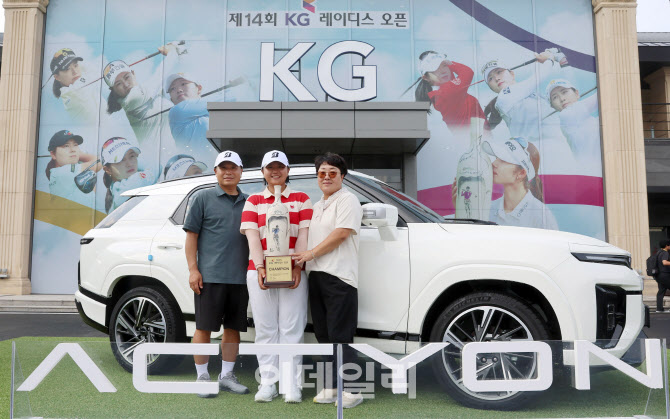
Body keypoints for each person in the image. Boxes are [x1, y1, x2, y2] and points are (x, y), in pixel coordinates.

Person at [292, 152, 364, 409]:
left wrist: (310, 254)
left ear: (342, 176)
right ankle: (333, 386)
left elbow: (342, 233)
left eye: (332, 173)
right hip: (316, 276)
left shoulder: (348, 199)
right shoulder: (317, 205)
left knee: (340, 334)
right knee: (323, 334)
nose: (326, 177)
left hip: (339, 277)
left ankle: (353, 389)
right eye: (322, 173)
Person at [240, 150, 312, 403]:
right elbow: (252, 238)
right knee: (266, 328)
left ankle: (292, 385)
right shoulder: (253, 201)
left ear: (288, 170)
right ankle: (268, 383)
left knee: (292, 328)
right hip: (259, 272)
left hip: (293, 272)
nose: (275, 171)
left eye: (280, 166)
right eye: (270, 167)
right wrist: (261, 267)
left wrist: (297, 267)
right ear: (263, 172)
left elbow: (303, 236)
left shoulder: (302, 199)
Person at [183, 150, 250, 397]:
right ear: (215, 171)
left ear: (241, 172)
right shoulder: (202, 198)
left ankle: (227, 376)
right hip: (209, 277)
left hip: (241, 278)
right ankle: (202, 377)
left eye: (233, 168)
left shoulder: (250, 202)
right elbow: (191, 237)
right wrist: (193, 270)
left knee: (233, 329)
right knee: (204, 328)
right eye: (223, 168)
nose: (228, 172)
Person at [103, 42, 183, 147]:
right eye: (118, 84)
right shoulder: (133, 98)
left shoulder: (149, 95)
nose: (126, 84)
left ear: (133, 74)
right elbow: (160, 74)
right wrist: (172, 52)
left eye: (127, 77)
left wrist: (178, 50)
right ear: (113, 90)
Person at [481, 50, 563, 141]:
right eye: (490, 78)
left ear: (512, 74)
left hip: (556, 141)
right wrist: (550, 59)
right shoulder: (504, 96)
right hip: (537, 145)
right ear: (491, 88)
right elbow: (539, 77)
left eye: (499, 72)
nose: (496, 78)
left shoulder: (530, 94)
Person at [414, 51, 486, 130]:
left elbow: (452, 78)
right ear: (426, 78)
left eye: (444, 65)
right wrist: (451, 64)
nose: (442, 71)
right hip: (472, 135)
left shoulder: (446, 89)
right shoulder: (445, 92)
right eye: (435, 69)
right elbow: (467, 72)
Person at [545, 79, 602, 176]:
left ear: (577, 93)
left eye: (564, 92)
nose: (562, 99)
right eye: (555, 97)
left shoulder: (592, 121)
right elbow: (603, 96)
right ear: (552, 106)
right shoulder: (566, 116)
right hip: (594, 172)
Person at [164, 72, 222, 162]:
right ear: (171, 99)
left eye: (183, 84)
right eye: (172, 89)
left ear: (199, 88)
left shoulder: (210, 113)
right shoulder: (177, 111)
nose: (178, 90)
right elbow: (227, 101)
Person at [100, 137, 157, 213]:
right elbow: (156, 166)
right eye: (120, 160)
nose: (129, 164)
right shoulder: (131, 184)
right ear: (108, 170)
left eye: (132, 156)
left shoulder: (115, 187)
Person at [45, 129, 101, 205]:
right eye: (66, 146)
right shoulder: (63, 172)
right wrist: (81, 154)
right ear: (53, 154)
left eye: (75, 145)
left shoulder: (57, 174)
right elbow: (99, 162)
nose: (73, 150)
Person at [49, 48, 99, 123]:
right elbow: (94, 71)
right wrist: (74, 64)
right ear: (57, 77)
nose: (75, 72)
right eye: (67, 69)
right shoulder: (72, 93)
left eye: (76, 65)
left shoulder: (76, 85)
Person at [656, 240, 670, 313]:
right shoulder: (665, 253)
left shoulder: (658, 252)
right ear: (667, 246)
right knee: (661, 291)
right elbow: (664, 262)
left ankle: (659, 309)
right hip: (665, 275)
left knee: (661, 292)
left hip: (659, 275)